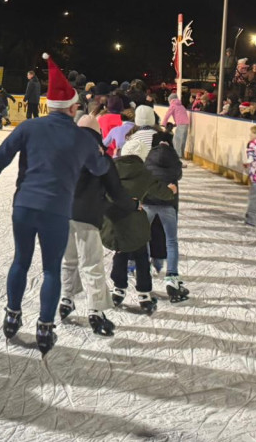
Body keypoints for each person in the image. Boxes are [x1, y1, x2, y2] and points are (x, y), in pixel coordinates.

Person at [0, 54, 108, 356]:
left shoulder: (28, 128)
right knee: (51, 270)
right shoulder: (81, 137)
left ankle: (12, 316)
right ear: (71, 108)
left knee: (20, 261)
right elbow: (101, 169)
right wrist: (99, 149)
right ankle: (45, 328)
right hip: (56, 211)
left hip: (24, 207)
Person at [59, 114, 138, 337]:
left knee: (69, 259)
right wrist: (133, 206)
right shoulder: (100, 156)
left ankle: (66, 298)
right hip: (87, 216)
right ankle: (95, 312)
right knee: (91, 264)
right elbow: (116, 191)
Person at [109, 152, 178, 315]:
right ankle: (144, 294)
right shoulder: (143, 173)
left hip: (116, 221)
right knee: (141, 257)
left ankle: (118, 289)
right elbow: (161, 192)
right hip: (137, 222)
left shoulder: (110, 170)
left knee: (120, 253)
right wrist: (171, 190)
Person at [144, 132, 187, 301]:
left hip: (148, 202)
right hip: (168, 204)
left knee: (145, 238)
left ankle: (145, 270)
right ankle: (172, 277)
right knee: (171, 240)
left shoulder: (148, 157)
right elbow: (178, 175)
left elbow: (145, 176)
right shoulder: (174, 159)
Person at [162, 94, 191, 158]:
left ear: (170, 100)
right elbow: (181, 115)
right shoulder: (181, 106)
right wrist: (176, 123)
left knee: (176, 140)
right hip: (186, 124)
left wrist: (164, 123)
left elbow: (167, 115)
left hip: (181, 124)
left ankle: (177, 155)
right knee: (183, 140)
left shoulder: (173, 105)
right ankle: (182, 154)